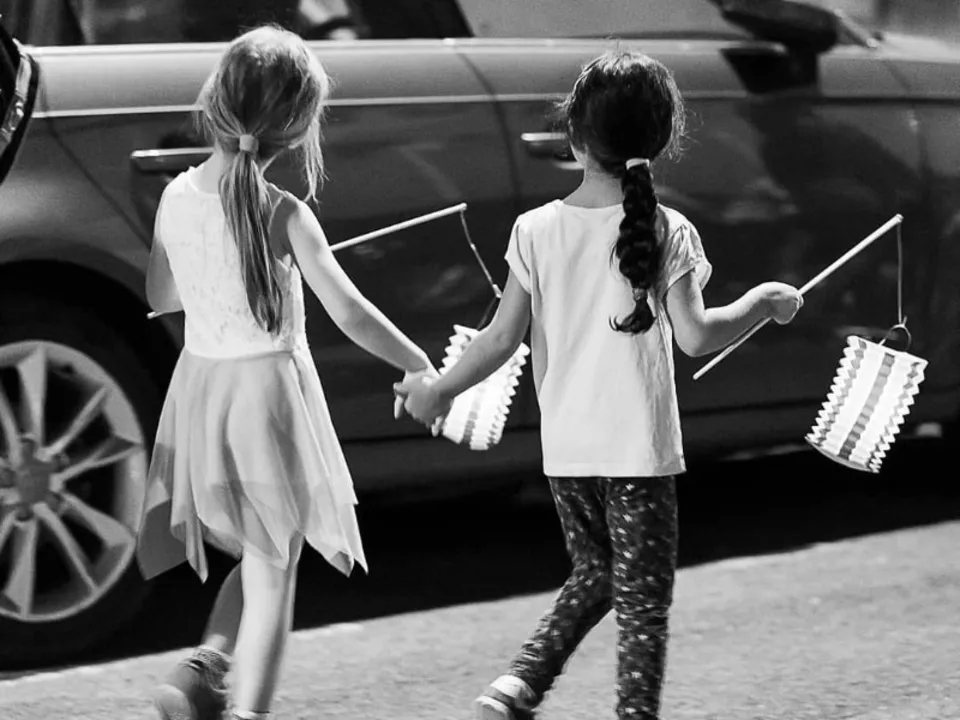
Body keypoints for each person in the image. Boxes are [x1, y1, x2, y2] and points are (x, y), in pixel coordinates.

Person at [393, 49, 803, 720]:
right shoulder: (668, 230)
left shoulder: (534, 230)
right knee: (642, 604)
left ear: (575, 138)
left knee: (596, 573)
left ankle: (515, 687)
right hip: (636, 450)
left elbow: (499, 339)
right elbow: (697, 337)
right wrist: (762, 302)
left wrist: (439, 389)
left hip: (569, 450)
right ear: (661, 140)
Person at [136, 25, 436, 720]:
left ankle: (202, 670)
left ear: (215, 101)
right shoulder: (285, 214)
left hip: (204, 395)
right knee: (275, 566)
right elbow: (350, 312)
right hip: (265, 402)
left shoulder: (176, 196)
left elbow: (162, 295)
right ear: (298, 130)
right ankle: (247, 711)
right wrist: (417, 361)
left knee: (262, 548)